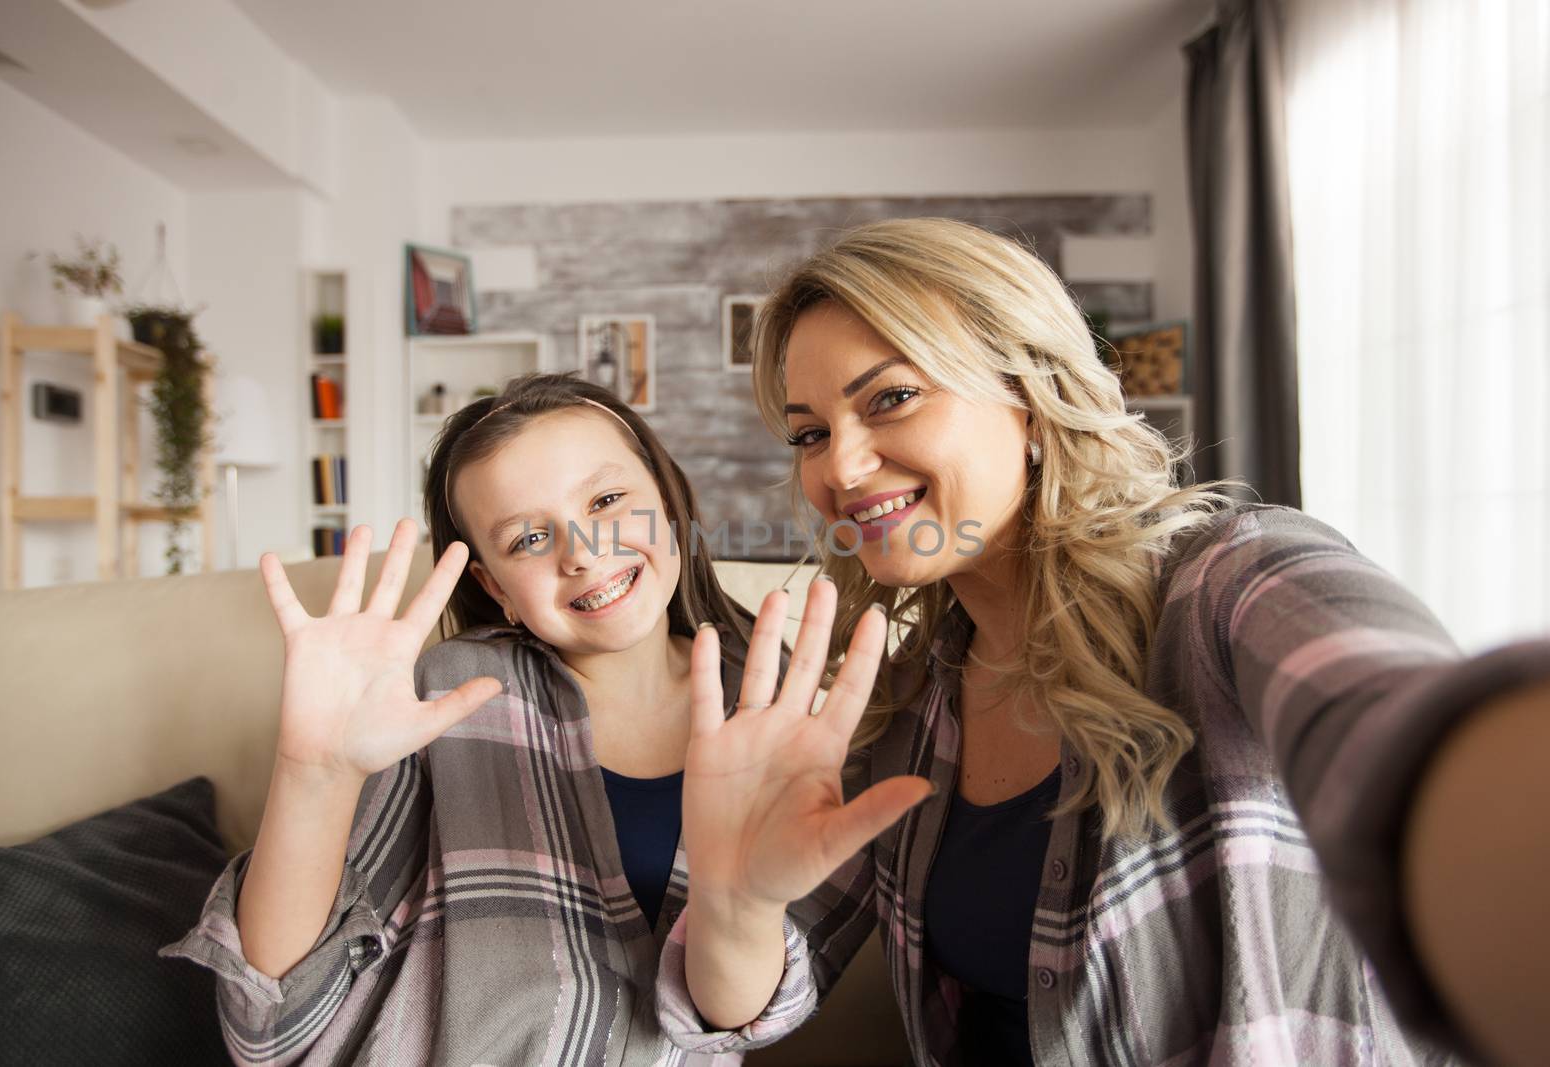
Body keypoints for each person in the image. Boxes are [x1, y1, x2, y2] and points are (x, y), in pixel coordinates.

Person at [655, 218, 1550, 1066]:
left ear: (1033, 400)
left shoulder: (1233, 585)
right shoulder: (907, 705)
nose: (838, 468)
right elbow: (736, 1005)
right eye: (810, 432)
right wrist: (736, 902)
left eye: (891, 397)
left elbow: (1397, 722)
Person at [162, 373, 765, 1066]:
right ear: (495, 588)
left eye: (606, 499)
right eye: (529, 538)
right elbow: (269, 1025)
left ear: (667, 500)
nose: (582, 552)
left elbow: (741, 1014)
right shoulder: (447, 694)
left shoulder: (778, 704)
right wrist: (313, 771)